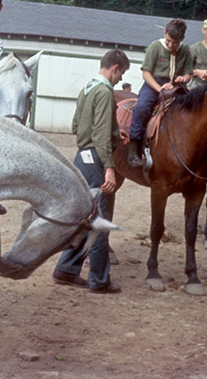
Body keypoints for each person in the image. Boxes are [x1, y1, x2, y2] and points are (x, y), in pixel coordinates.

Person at [52, 48, 130, 294]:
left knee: (84, 218)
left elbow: (78, 125)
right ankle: (99, 279)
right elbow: (99, 134)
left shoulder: (87, 88)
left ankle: (66, 269)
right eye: (122, 74)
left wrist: (116, 133)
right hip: (97, 160)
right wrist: (109, 167)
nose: (119, 80)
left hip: (81, 158)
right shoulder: (105, 91)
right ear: (115, 68)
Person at [127, 19, 193, 168]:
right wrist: (160, 88)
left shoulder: (186, 50)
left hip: (176, 86)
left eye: (175, 43)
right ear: (164, 33)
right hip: (154, 84)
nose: (171, 45)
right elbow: (146, 73)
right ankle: (134, 149)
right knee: (142, 107)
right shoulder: (155, 47)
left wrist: (184, 78)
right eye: (168, 41)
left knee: (191, 110)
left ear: (182, 39)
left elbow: (189, 73)